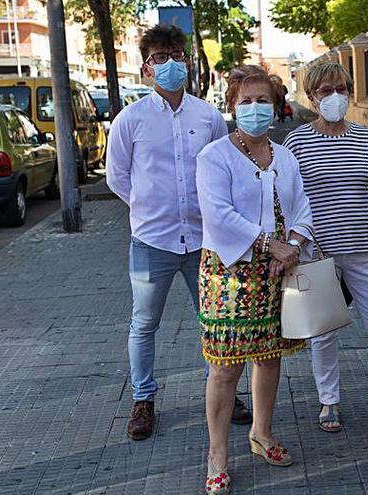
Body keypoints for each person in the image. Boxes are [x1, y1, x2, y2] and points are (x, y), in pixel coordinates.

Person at [106, 24, 251, 443]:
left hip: (205, 240)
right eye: (159, 57)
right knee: (144, 323)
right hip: (153, 241)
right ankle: (143, 399)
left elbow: (223, 170)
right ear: (146, 67)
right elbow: (117, 178)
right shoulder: (129, 120)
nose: (169, 64)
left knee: (214, 321)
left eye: (176, 55)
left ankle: (226, 392)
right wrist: (150, 207)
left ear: (187, 61)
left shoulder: (206, 116)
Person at [283, 62, 368, 433]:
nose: (335, 97)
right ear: (311, 97)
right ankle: (329, 401)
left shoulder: (367, 138)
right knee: (324, 332)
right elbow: (287, 197)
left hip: (362, 245)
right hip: (317, 253)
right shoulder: (295, 142)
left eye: (341, 88)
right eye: (326, 91)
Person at [196, 65, 313, 494]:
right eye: (245, 101)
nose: (254, 108)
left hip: (278, 273)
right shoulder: (215, 156)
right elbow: (218, 215)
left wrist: (294, 246)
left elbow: (302, 209)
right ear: (231, 107)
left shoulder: (285, 156)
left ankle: (262, 433)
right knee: (225, 368)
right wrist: (271, 246)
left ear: (276, 106)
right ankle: (217, 456)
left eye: (262, 100)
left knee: (270, 356)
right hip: (228, 276)